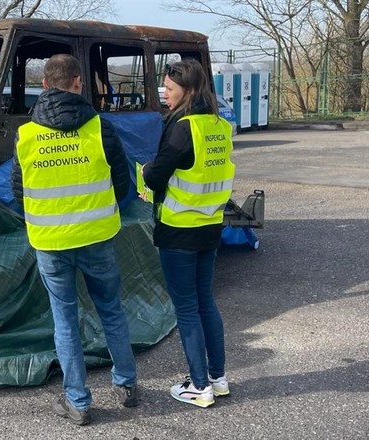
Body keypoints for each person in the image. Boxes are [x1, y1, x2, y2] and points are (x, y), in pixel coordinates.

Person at [11, 54, 138, 426]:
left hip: (50, 241)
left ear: (45, 85)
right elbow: (122, 183)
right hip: (97, 236)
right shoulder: (100, 128)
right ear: (79, 83)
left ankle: (78, 402)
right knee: (111, 309)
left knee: (64, 320)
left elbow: (17, 192)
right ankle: (127, 385)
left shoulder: (26, 134)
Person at [141, 59, 235, 408]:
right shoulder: (218, 125)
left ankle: (199, 386)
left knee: (187, 308)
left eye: (168, 88)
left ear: (188, 90)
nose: (163, 94)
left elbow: (155, 176)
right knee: (205, 301)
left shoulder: (182, 127)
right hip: (210, 226)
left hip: (179, 230)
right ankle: (217, 378)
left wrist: (148, 172)